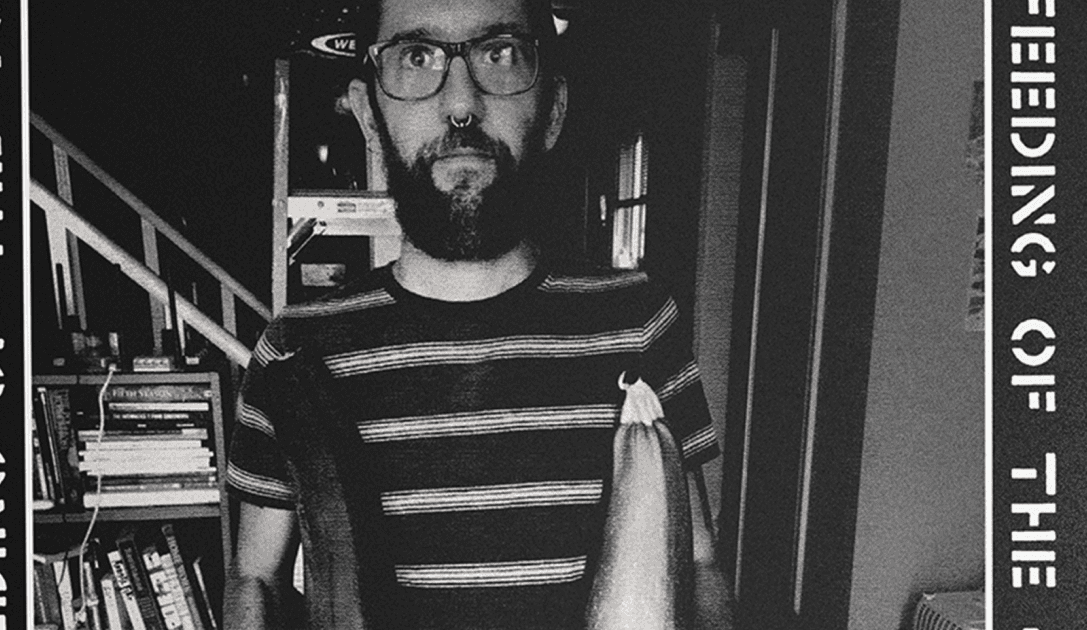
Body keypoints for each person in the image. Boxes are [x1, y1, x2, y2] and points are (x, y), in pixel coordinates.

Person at [223, 0, 733, 627]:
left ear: (553, 110)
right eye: (417, 57)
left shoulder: (639, 322)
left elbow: (696, 564)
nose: (461, 104)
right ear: (368, 114)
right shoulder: (295, 350)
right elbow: (255, 577)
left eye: (500, 53)